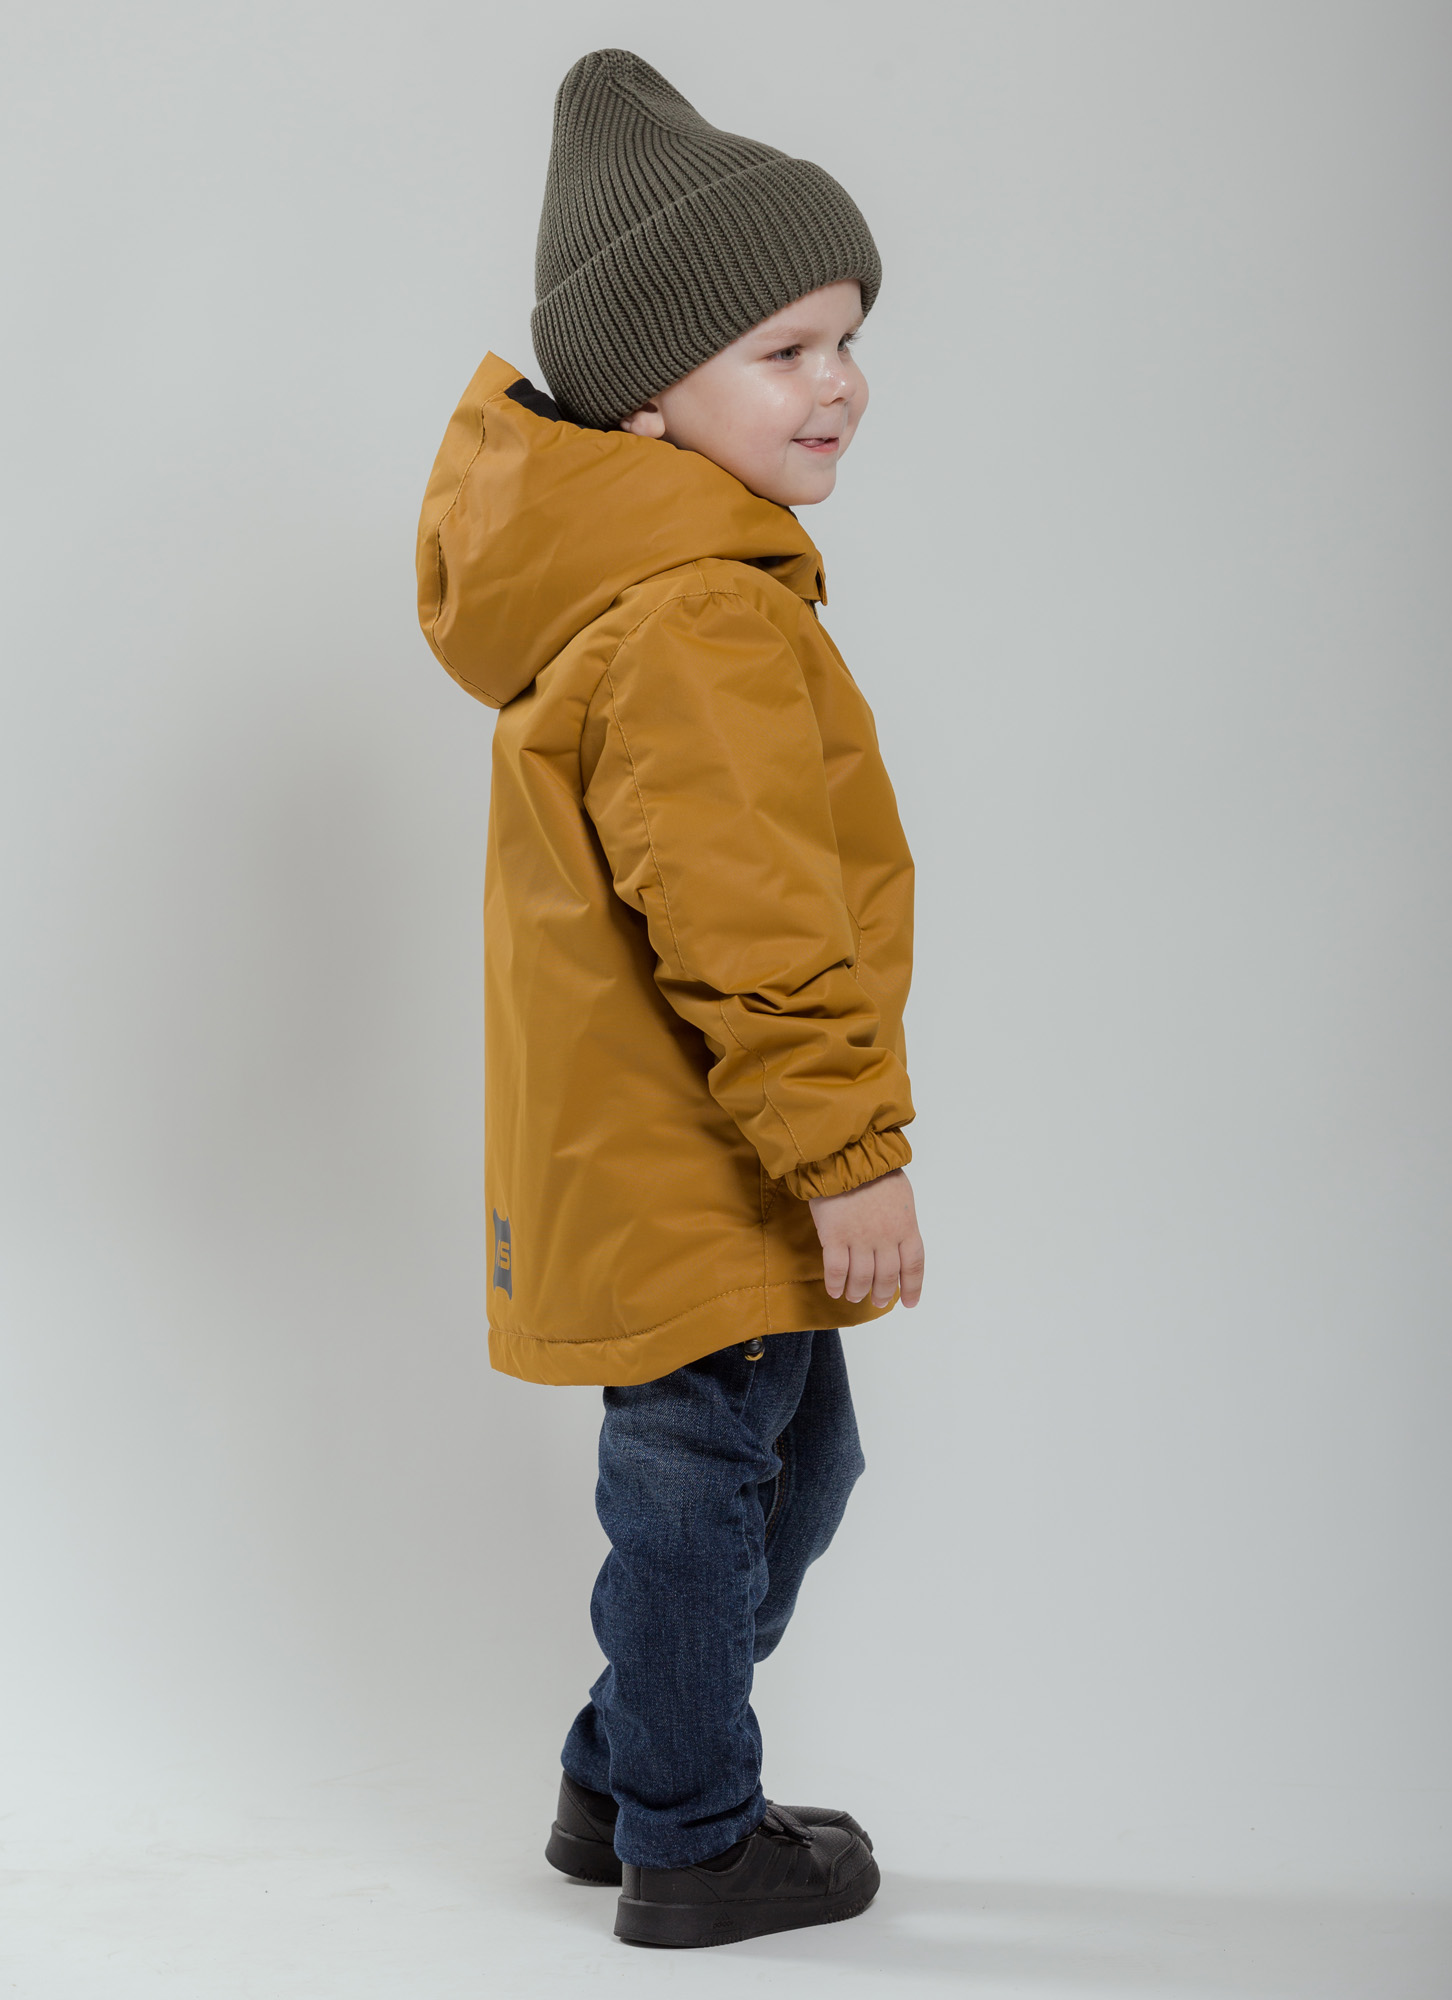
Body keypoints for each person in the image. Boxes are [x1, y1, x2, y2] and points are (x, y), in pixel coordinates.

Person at [414, 48, 924, 1949]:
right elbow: (748, 923)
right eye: (784, 349)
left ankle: (625, 1773)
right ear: (649, 394)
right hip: (708, 1148)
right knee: (713, 1479)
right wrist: (850, 1151)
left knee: (781, 1460)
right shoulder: (697, 610)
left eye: (848, 338)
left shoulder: (655, 588)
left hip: (657, 1148)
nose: (838, 381)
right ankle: (691, 1840)